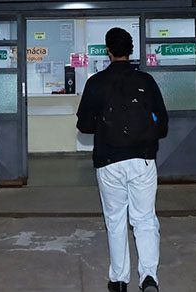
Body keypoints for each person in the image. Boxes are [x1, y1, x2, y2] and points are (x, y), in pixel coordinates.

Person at [76, 27, 168, 292]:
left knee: (115, 220)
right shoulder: (146, 81)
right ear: (131, 50)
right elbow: (163, 125)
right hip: (143, 160)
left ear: (108, 51)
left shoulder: (96, 82)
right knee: (145, 219)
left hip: (109, 161)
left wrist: (104, 126)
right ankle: (149, 277)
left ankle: (119, 279)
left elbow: (84, 125)